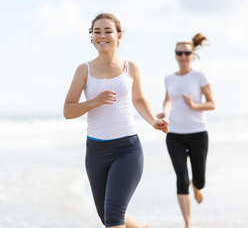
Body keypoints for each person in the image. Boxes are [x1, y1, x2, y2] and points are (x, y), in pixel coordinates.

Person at [64, 13, 168, 228]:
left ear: (119, 36)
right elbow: (68, 110)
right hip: (95, 152)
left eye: (108, 31)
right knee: (106, 215)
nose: (102, 36)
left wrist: (152, 122)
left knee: (113, 216)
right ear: (91, 37)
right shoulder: (84, 70)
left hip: (126, 149)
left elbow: (138, 98)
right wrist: (93, 102)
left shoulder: (130, 68)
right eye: (97, 32)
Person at [156, 33, 215, 228]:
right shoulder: (169, 78)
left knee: (200, 181)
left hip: (198, 133)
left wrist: (194, 105)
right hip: (174, 135)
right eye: (179, 52)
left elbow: (212, 104)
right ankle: (188, 223)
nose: (182, 56)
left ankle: (197, 187)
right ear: (175, 55)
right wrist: (163, 113)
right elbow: (167, 100)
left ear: (192, 55)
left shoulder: (199, 76)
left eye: (186, 53)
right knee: (181, 179)